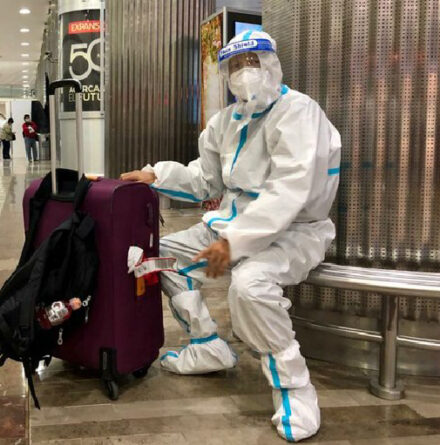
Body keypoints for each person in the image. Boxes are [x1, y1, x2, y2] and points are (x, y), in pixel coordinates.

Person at [121, 30, 341, 442]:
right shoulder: (226, 122)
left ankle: (294, 387)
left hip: (294, 232)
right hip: (228, 227)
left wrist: (234, 242)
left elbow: (289, 191)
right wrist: (157, 175)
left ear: (272, 64)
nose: (244, 73)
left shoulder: (298, 113)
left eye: (252, 62)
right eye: (235, 67)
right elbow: (205, 180)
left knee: (250, 286)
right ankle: (207, 345)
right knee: (156, 258)